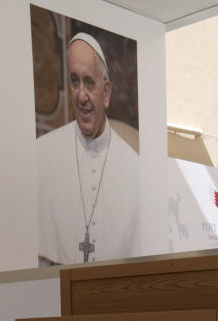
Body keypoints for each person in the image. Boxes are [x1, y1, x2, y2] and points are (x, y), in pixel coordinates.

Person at [36, 31, 140, 265]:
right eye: (75, 81)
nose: (81, 95)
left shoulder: (134, 169)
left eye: (89, 83)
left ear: (106, 92)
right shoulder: (42, 155)